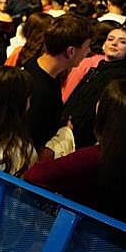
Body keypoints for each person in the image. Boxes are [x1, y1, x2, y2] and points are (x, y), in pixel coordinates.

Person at [25, 79, 126, 231]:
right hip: (121, 246)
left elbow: (34, 175)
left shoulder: (92, 158)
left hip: (84, 240)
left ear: (105, 112)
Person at [23, 14, 91, 157]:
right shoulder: (38, 90)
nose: (88, 52)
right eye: (86, 47)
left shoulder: (40, 67)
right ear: (71, 51)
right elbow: (32, 147)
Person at [62, 27, 126, 148]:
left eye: (122, 42)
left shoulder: (121, 77)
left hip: (88, 139)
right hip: (71, 133)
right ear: (104, 45)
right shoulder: (96, 70)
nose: (114, 43)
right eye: (110, 39)